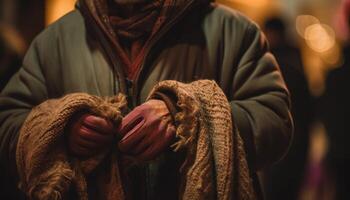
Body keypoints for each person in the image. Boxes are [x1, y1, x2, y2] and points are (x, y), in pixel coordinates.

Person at [0, 0, 293, 199]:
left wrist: (186, 116)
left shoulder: (234, 33)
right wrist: (61, 128)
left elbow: (274, 119)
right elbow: (8, 123)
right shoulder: (55, 41)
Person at [262, 17, 313, 200]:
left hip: (276, 142)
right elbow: (309, 110)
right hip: (297, 143)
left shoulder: (268, 64)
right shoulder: (296, 60)